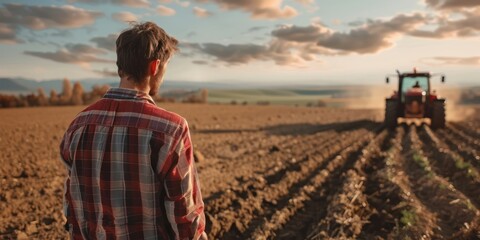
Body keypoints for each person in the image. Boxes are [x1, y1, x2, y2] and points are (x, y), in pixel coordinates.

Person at [59, 22, 207, 240]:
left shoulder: (77, 125)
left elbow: (72, 203)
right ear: (155, 67)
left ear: (121, 66)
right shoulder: (171, 129)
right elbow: (183, 216)